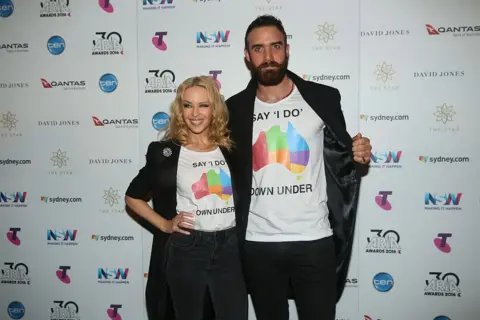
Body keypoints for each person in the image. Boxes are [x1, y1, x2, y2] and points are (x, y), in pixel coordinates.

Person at [224, 15, 372, 320]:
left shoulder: (322, 97)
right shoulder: (234, 109)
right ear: (247, 56)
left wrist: (359, 152)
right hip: (258, 243)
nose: (268, 57)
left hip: (314, 240)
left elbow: (342, 152)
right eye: (258, 49)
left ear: (287, 49)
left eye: (275, 46)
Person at [124, 76, 247, 320]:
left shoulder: (232, 149)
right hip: (189, 249)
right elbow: (133, 197)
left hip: (230, 248)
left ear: (215, 108)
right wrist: (165, 224)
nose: (195, 113)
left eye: (204, 105)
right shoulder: (164, 152)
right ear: (180, 109)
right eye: (188, 105)